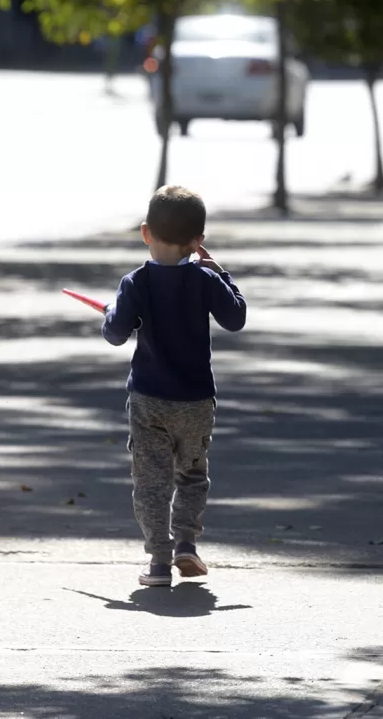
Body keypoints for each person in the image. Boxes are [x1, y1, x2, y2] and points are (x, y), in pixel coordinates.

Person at [101, 185, 247, 587]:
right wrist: (222, 273)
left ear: (146, 232)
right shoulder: (205, 280)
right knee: (192, 476)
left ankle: (159, 564)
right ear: (198, 242)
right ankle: (186, 542)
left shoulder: (135, 283)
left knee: (151, 483)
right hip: (197, 401)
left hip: (149, 400)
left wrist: (114, 313)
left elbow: (115, 333)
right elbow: (235, 318)